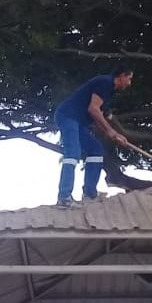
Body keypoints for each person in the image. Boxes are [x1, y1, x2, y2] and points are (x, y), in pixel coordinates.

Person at [54, 65, 134, 207]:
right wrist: (111, 131)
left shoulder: (109, 91)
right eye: (129, 78)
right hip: (68, 116)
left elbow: (99, 117)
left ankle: (89, 194)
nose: (129, 83)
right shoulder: (106, 82)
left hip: (78, 122)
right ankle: (64, 197)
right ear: (122, 76)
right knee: (73, 153)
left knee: (96, 150)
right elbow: (93, 109)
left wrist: (113, 134)